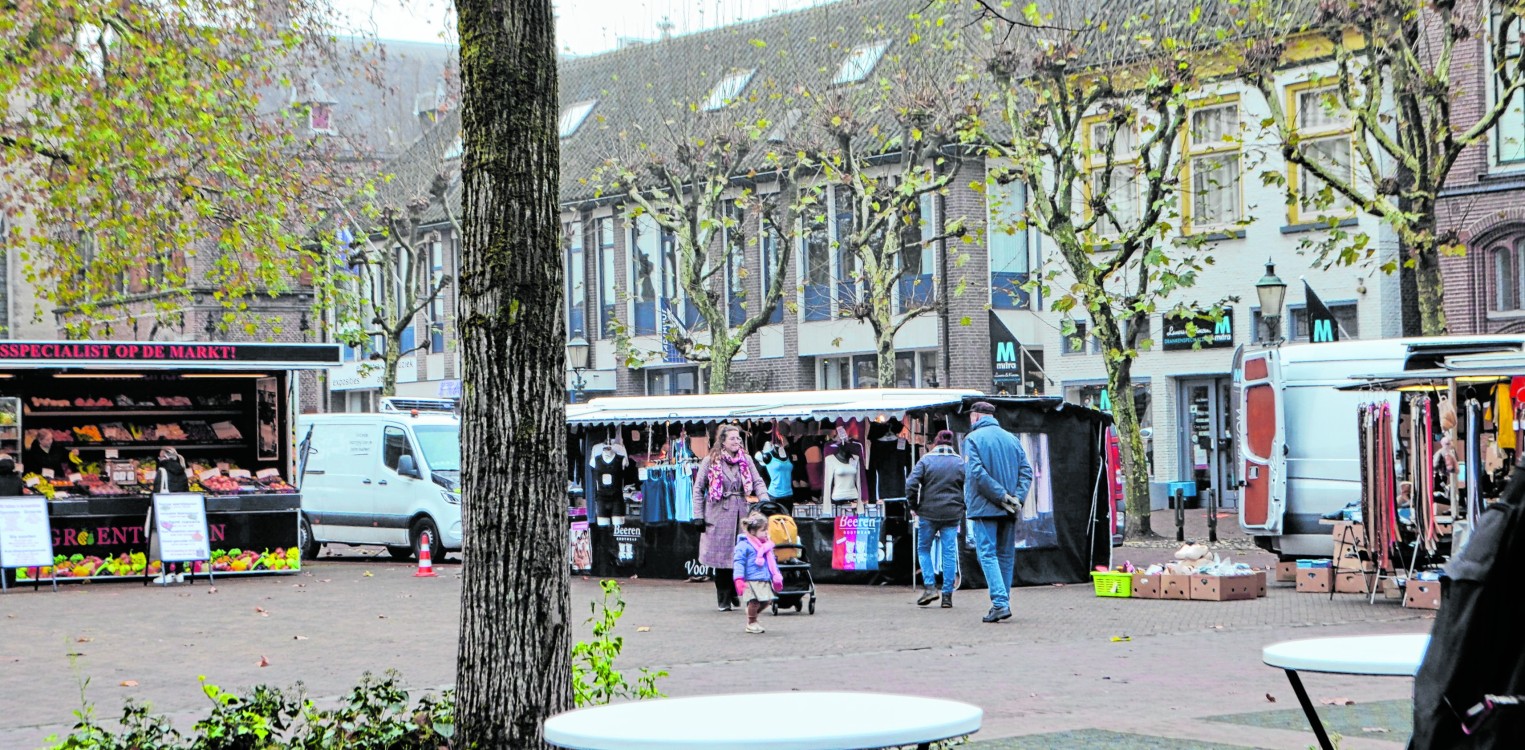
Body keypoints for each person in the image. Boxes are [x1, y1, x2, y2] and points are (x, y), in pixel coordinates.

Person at [962, 401, 1032, 624]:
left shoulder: (972, 439)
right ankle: (1003, 601)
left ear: (976, 416)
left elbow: (976, 473)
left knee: (987, 553)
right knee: (1005, 555)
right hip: (1009, 509)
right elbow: (1026, 471)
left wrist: (1000, 496)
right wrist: (1016, 498)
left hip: (985, 507)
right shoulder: (1012, 439)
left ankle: (1000, 603)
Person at [692, 424, 768, 611]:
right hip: (718, 513)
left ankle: (734, 590)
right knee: (721, 559)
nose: (737, 441)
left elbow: (757, 481)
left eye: (738, 438)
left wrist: (765, 500)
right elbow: (698, 488)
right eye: (732, 438)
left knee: (739, 555)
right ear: (723, 441)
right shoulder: (710, 460)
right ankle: (724, 598)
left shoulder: (746, 459)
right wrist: (698, 515)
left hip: (741, 512)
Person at [907, 430, 964, 608]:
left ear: (935, 443)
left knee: (924, 549)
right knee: (949, 553)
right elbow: (969, 486)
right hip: (952, 513)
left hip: (928, 512)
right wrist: (963, 506)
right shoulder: (960, 462)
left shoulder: (925, 460)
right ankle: (947, 596)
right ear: (951, 443)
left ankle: (930, 587)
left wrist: (913, 505)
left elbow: (911, 484)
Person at [733, 514, 783, 634]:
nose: (766, 533)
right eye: (763, 530)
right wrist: (738, 579)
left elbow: (771, 563)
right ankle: (751, 622)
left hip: (763, 578)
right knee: (754, 601)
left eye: (767, 530)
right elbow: (738, 562)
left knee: (767, 600)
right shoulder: (744, 545)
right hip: (751, 579)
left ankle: (752, 614)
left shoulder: (766, 546)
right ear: (752, 531)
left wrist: (776, 576)